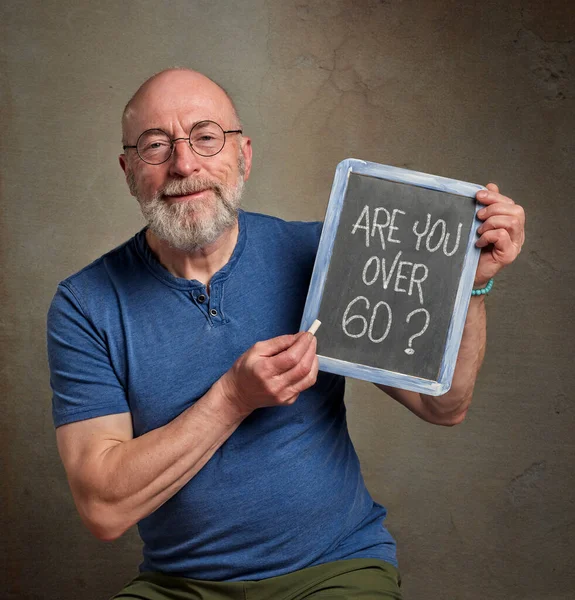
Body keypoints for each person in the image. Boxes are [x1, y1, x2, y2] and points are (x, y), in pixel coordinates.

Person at [47, 68, 525, 599]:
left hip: (332, 570)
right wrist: (232, 398)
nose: (185, 164)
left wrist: (473, 288)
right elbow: (102, 509)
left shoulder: (320, 255)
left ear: (243, 155)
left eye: (206, 137)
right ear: (129, 170)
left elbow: (444, 406)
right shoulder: (86, 303)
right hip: (177, 584)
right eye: (156, 146)